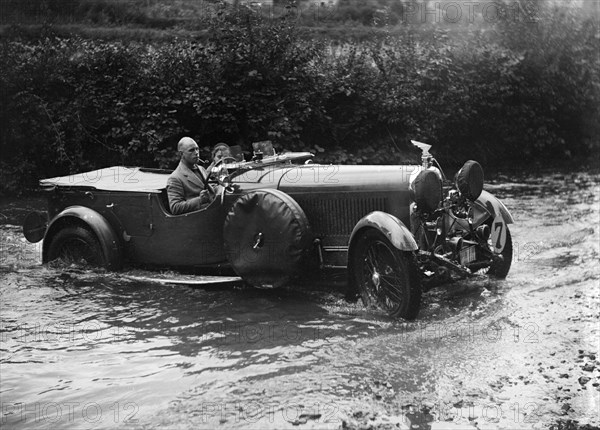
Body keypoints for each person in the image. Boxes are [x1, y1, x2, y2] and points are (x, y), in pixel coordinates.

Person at [167, 137, 215, 215]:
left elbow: (210, 189)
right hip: (197, 219)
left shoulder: (201, 169)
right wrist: (200, 200)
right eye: (191, 150)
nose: (196, 152)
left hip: (212, 212)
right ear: (181, 154)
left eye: (197, 149)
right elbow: (175, 207)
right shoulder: (175, 178)